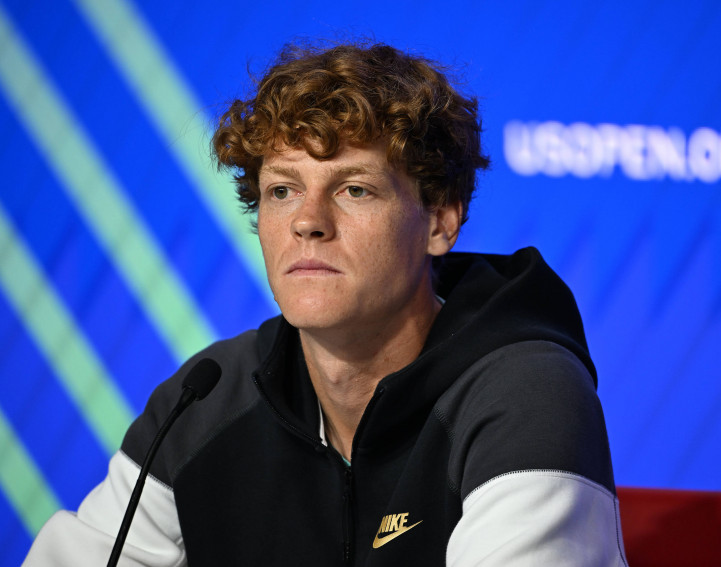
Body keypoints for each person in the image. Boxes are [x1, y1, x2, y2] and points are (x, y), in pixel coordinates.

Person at [24, 42, 627, 566]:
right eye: (282, 190)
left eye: (354, 188)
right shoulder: (206, 401)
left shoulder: (524, 396)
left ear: (441, 221)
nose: (307, 222)